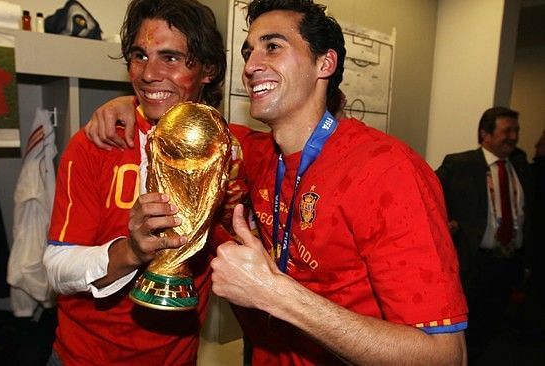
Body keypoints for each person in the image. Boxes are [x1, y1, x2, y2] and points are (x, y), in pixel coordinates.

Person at [85, 1, 469, 364]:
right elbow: (188, 125)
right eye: (249, 52)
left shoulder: (389, 171)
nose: (252, 65)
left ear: (325, 63)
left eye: (272, 47)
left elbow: (444, 355)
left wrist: (277, 295)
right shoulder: (255, 153)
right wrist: (131, 106)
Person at [42, 0, 245, 364]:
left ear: (208, 70)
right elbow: (56, 268)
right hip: (82, 357)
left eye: (170, 58)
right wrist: (131, 252)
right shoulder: (97, 143)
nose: (149, 74)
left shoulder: (231, 150)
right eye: (139, 55)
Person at [436, 106, 534, 362]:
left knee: (494, 333)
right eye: (507, 131)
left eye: (517, 131)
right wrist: (443, 223)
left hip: (507, 267)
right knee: (467, 335)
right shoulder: (460, 164)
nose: (514, 136)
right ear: (485, 134)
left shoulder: (521, 167)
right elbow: (428, 193)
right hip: (472, 267)